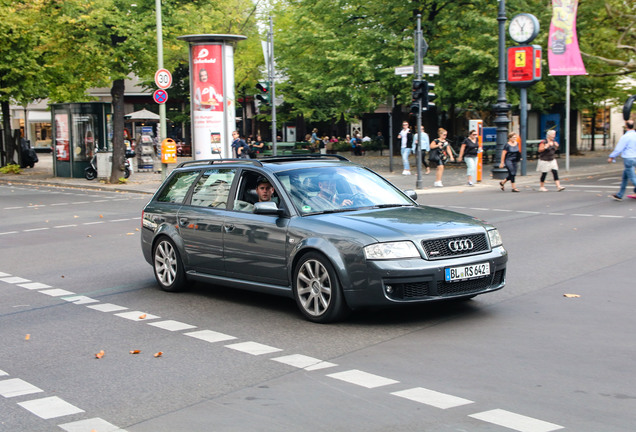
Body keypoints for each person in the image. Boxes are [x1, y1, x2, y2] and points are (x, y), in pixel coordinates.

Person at [608, 120, 636, 201]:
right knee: (625, 177)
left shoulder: (625, 137)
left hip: (628, 158)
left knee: (632, 178)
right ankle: (619, 195)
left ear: (626, 126)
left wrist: (611, 157)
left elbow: (619, 149)